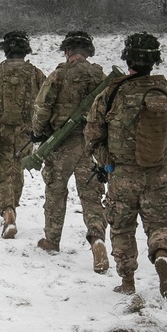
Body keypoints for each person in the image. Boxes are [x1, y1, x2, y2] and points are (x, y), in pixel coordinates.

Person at [84, 32, 167, 297]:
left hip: (122, 174)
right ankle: (162, 254)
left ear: (127, 58)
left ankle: (128, 280)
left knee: (122, 227)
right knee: (160, 223)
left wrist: (107, 160)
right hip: (159, 173)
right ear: (154, 61)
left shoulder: (111, 93)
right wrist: (164, 155)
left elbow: (93, 134)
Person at [32, 30, 109, 272]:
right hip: (91, 146)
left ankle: (52, 240)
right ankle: (97, 238)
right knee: (91, 196)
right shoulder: (101, 76)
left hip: (62, 144)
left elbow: (43, 108)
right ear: (89, 51)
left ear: (67, 51)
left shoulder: (58, 74)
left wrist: (39, 132)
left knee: (55, 193)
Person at [0, 31, 46, 238]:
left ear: (5, 50)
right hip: (26, 132)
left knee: (0, 171)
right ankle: (13, 207)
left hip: (0, 131)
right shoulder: (36, 74)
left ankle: (7, 210)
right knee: (17, 170)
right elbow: (44, 101)